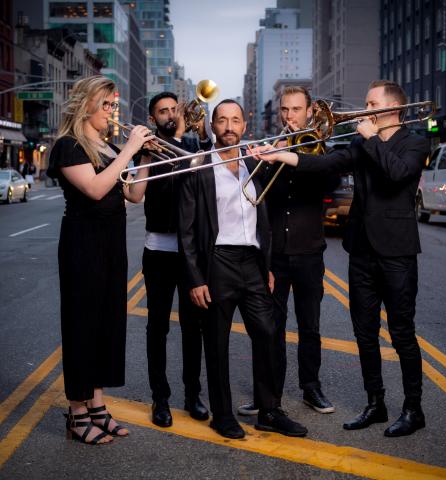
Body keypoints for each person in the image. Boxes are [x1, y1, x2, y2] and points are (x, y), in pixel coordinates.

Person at [250, 80, 430, 437]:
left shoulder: (415, 142)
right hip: (361, 250)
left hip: (396, 252)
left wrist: (373, 139)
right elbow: (327, 165)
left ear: (391, 109)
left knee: (401, 333)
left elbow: (397, 174)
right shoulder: (360, 142)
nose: (362, 109)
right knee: (365, 334)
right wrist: (283, 155)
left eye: (370, 103)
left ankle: (413, 409)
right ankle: (375, 403)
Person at [178, 99, 307, 440]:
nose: (229, 126)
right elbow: (186, 230)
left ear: (245, 125)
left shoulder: (253, 162)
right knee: (217, 342)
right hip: (217, 260)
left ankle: (269, 410)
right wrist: (195, 278)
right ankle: (222, 415)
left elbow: (261, 218)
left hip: (251, 261)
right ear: (213, 126)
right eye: (222, 120)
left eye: (235, 120)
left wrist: (265, 264)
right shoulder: (199, 165)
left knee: (267, 332)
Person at [47, 75, 154, 445]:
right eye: (107, 105)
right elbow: (94, 189)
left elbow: (134, 194)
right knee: (82, 326)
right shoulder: (68, 146)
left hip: (111, 243)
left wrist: (145, 157)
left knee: (108, 324)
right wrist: (130, 149)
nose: (113, 112)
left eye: (114, 105)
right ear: (86, 105)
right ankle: (77, 414)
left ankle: (97, 406)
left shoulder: (109, 147)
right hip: (82, 245)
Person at [238, 86, 336, 417]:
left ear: (310, 112)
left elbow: (329, 179)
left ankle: (311, 388)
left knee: (310, 325)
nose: (289, 116)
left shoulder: (322, 152)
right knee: (271, 327)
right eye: (284, 110)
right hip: (275, 255)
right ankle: (269, 394)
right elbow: (255, 193)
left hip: (309, 252)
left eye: (296, 109)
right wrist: (265, 159)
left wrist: (291, 154)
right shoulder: (272, 147)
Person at [132, 92, 211, 428]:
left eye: (172, 109)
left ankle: (193, 394)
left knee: (194, 328)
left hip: (192, 252)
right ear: (153, 118)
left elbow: (212, 170)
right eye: (161, 111)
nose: (168, 114)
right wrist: (145, 155)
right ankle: (160, 398)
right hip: (159, 250)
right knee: (158, 327)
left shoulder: (193, 145)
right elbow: (136, 195)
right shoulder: (146, 149)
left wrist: (204, 132)